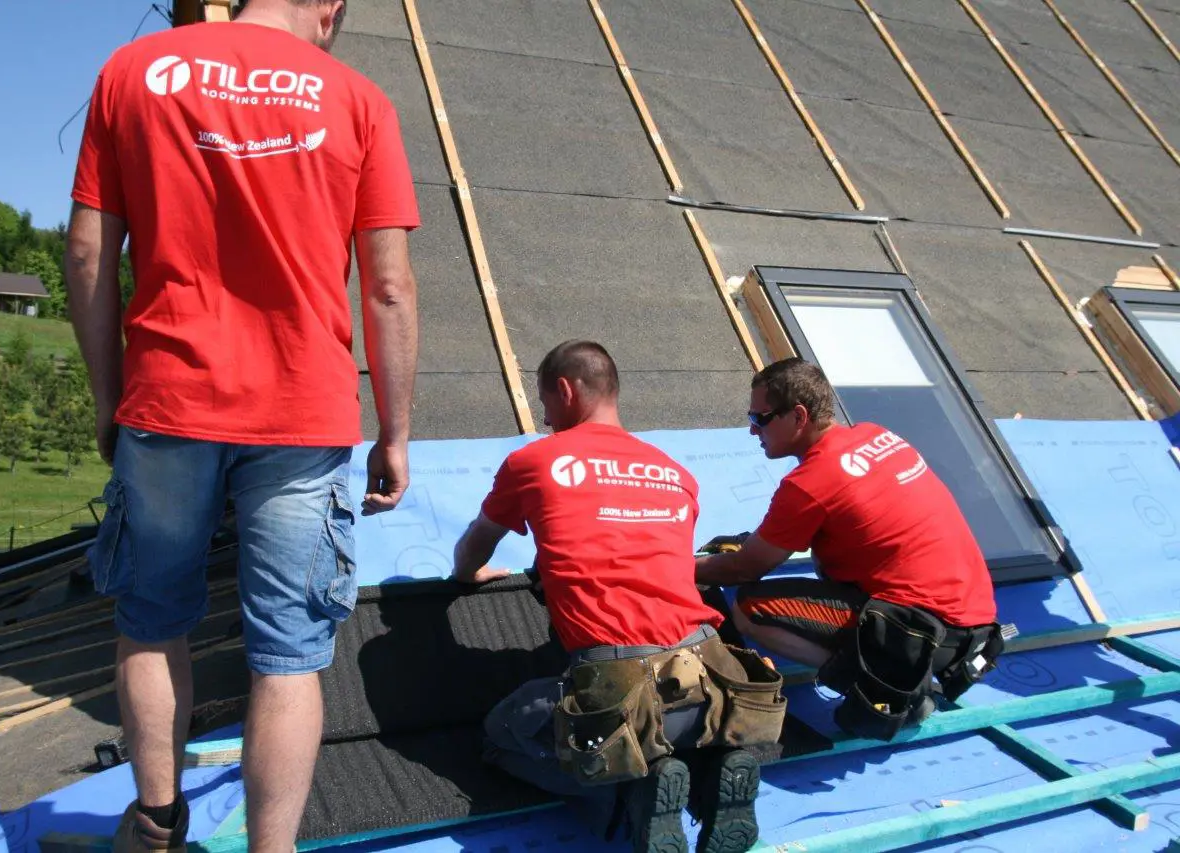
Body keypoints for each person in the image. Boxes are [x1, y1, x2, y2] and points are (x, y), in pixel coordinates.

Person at [65, 2, 420, 851]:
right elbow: (389, 288)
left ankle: (156, 826)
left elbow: (88, 252)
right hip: (302, 410)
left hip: (169, 400)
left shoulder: (136, 73)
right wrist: (395, 431)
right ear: (328, 5)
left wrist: (110, 396)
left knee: (153, 620)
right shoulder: (359, 100)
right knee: (288, 653)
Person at [453, 341, 785, 853]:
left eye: (545, 402)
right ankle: (711, 772)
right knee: (674, 723)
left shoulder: (535, 460)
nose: (546, 417)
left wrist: (467, 573)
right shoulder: (676, 473)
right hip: (714, 679)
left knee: (500, 734)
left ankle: (630, 790)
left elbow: (478, 542)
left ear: (565, 390)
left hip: (620, 687)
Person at [695, 358, 1002, 738]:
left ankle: (887, 690)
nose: (752, 429)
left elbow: (746, 568)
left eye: (760, 418)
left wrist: (676, 567)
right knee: (828, 558)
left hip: (922, 637)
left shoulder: (810, 482)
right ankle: (888, 667)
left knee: (748, 609)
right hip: (976, 624)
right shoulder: (877, 435)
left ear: (798, 416)